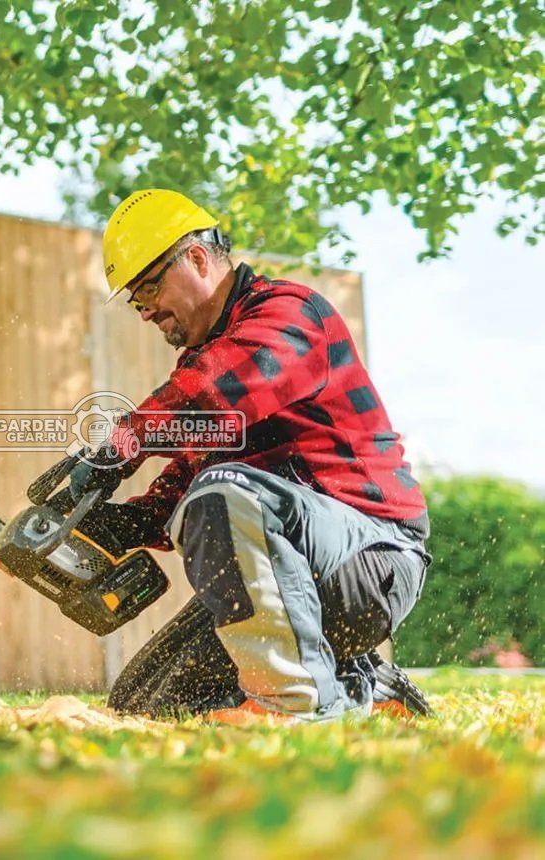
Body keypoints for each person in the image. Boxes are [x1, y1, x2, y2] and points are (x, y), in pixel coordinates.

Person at [68, 188, 433, 722]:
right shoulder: (208, 360)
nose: (146, 312)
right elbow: (192, 474)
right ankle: (367, 690)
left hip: (370, 557)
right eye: (135, 300)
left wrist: (118, 450)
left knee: (222, 494)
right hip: (294, 566)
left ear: (195, 257)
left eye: (149, 288)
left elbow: (213, 397)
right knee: (148, 701)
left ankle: (296, 705)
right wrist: (125, 522)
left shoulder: (290, 314)